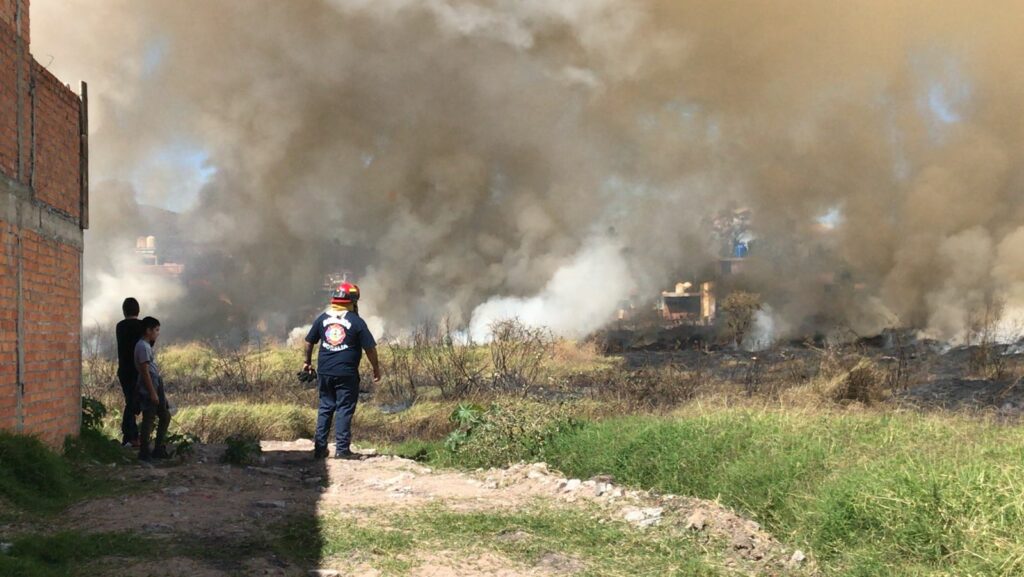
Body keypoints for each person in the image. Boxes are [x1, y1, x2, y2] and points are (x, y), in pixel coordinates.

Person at [302, 282, 381, 460]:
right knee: (344, 409)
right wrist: (376, 368)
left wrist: (307, 362)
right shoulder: (356, 321)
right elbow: (370, 348)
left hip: (325, 372)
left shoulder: (322, 318)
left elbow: (309, 341)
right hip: (347, 373)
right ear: (352, 301)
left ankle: (320, 449)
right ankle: (342, 450)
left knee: (325, 408)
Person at [135, 316, 171, 461]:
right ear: (148, 330)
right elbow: (145, 371)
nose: (157, 333)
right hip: (149, 384)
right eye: (156, 330)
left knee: (165, 415)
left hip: (155, 382)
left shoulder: (146, 345)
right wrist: (152, 392)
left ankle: (158, 448)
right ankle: (145, 452)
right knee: (149, 417)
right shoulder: (142, 346)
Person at [115, 298, 143, 447]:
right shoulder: (142, 326)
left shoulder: (120, 326)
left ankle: (131, 436)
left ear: (124, 311)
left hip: (124, 370)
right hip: (138, 370)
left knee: (130, 401)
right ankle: (131, 436)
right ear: (138, 310)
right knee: (134, 403)